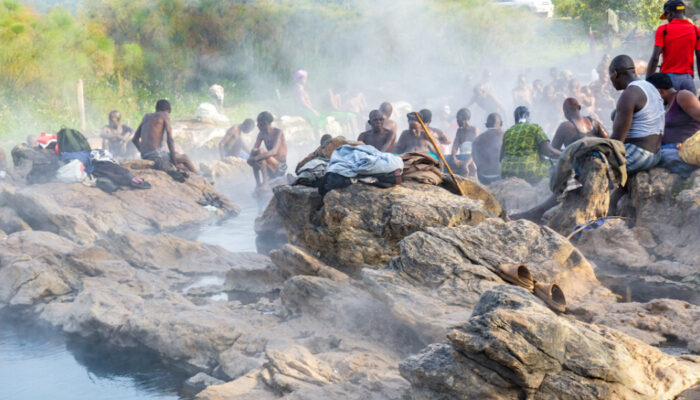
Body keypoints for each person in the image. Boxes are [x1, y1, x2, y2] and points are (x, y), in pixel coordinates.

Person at [610, 55, 664, 174]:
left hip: (640, 155)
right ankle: (620, 192)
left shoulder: (629, 94)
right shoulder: (649, 86)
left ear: (615, 74)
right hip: (656, 153)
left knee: (595, 164)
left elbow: (617, 141)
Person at [647, 72, 700, 176]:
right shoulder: (667, 104)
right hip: (670, 147)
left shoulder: (682, 96)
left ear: (659, 91)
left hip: (684, 148)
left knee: (654, 157)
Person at [647, 0, 700, 93]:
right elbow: (699, 58)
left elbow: (655, 58)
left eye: (666, 16)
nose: (667, 19)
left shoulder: (663, 30)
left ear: (669, 13)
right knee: (692, 106)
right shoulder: (696, 30)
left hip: (668, 80)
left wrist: (647, 83)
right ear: (683, 12)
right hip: (687, 79)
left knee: (668, 107)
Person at [132, 99, 197, 174]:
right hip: (157, 155)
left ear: (156, 109)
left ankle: (193, 175)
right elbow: (170, 140)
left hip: (144, 155)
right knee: (185, 158)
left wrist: (145, 152)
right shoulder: (164, 115)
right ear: (168, 110)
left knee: (177, 158)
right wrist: (175, 163)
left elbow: (134, 140)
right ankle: (202, 180)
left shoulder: (146, 117)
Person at [500, 106, 561, 184]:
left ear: (515, 118)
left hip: (507, 172)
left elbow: (501, 158)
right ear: (527, 116)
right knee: (555, 166)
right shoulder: (535, 127)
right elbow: (548, 152)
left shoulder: (508, 132)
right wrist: (564, 154)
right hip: (530, 171)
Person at [247, 111, 288, 187]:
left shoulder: (278, 132)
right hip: (270, 166)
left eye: (259, 123)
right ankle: (258, 184)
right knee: (255, 152)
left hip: (280, 167)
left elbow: (274, 151)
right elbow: (254, 149)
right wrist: (250, 158)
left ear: (264, 123)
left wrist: (256, 158)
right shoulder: (261, 134)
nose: (257, 125)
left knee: (261, 152)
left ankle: (265, 183)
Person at [472, 113, 504, 185]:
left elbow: (474, 156)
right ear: (501, 124)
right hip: (500, 176)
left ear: (486, 125)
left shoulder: (477, 139)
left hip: (483, 177)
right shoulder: (505, 136)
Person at [450, 108, 478, 176]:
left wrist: (467, 163)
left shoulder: (474, 130)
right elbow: (455, 146)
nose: (456, 121)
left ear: (461, 118)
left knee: (472, 166)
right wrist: (454, 158)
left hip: (473, 158)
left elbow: (477, 150)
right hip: (462, 158)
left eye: (457, 119)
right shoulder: (459, 131)